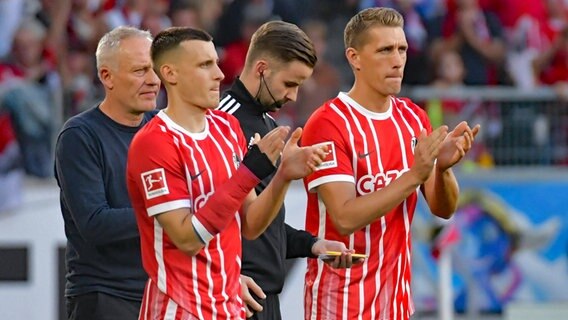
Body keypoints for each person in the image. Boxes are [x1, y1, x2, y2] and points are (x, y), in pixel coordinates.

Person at [126, 26, 327, 320]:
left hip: (229, 307)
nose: (219, 74)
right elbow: (187, 239)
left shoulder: (225, 129)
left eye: (216, 63)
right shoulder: (154, 141)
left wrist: (284, 175)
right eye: (205, 65)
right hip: (180, 308)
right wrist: (249, 172)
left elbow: (250, 225)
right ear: (170, 74)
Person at [301, 7, 480, 320]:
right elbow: (343, 217)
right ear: (354, 58)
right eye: (385, 50)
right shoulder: (328, 123)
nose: (397, 61)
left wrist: (443, 169)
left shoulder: (413, 118)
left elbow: (443, 208)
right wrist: (415, 175)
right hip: (340, 305)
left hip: (396, 303)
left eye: (402, 49)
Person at [217, 20, 352, 320]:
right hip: (232, 295)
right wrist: (225, 278)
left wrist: (313, 244)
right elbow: (216, 220)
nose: (293, 96)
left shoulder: (269, 126)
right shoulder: (221, 123)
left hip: (265, 298)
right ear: (262, 68)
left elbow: (264, 227)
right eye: (290, 84)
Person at [54, 26, 160, 320]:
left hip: (161, 291)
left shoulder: (162, 127)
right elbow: (95, 223)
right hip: (105, 296)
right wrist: (167, 212)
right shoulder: (80, 135)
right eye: (140, 70)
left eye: (154, 69)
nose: (153, 81)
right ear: (106, 76)